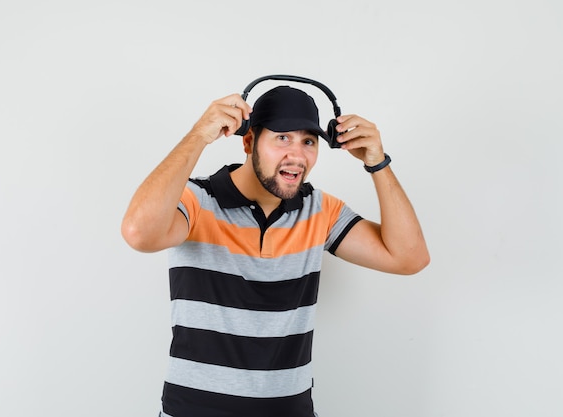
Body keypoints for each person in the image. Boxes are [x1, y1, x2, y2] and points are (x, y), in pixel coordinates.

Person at [121, 81, 430, 417]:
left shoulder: (319, 210)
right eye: (282, 137)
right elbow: (139, 233)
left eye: (308, 141)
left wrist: (378, 162)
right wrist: (198, 135)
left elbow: (409, 257)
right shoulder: (197, 200)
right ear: (249, 141)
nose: (296, 155)